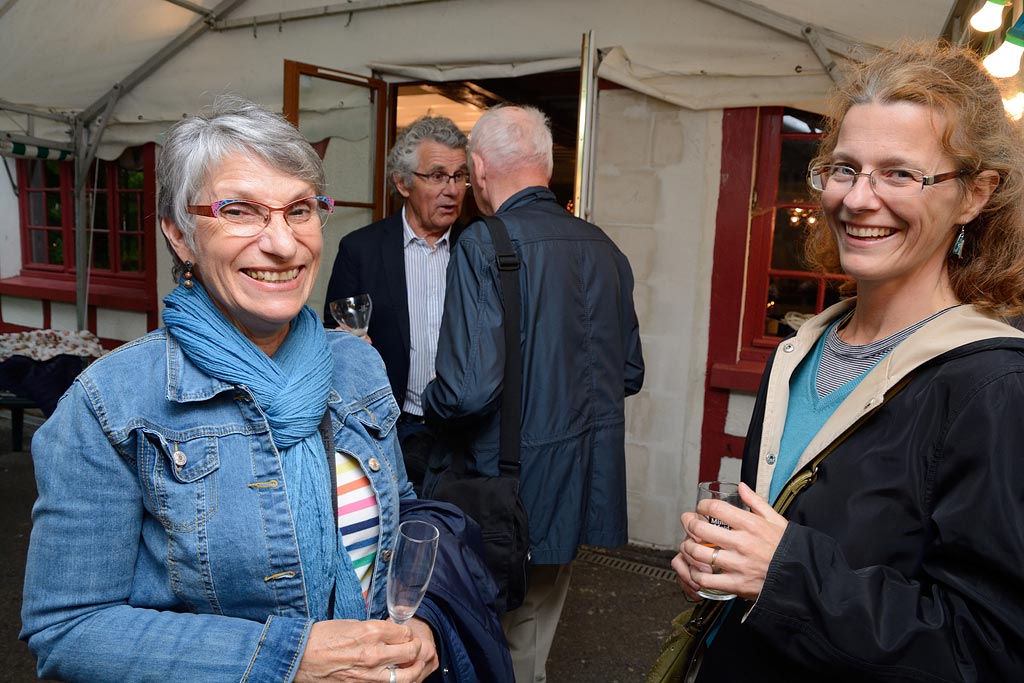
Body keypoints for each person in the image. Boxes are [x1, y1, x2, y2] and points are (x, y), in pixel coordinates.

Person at [20, 97, 510, 683]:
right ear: (179, 235)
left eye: (300, 210)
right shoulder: (112, 403)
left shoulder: (356, 364)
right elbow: (68, 629)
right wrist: (288, 660)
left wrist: (424, 621)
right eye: (241, 211)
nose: (283, 244)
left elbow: (398, 528)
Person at [672, 41, 1024, 681]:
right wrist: (728, 568)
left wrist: (782, 573)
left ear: (975, 195)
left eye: (900, 174)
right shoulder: (801, 351)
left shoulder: (994, 388)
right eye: (844, 168)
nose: (858, 200)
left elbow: (990, 652)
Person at [422, 104, 645, 683]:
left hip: (509, 490)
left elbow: (468, 392)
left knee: (491, 641)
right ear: (545, 165)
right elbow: (629, 372)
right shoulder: (604, 247)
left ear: (478, 168)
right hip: (582, 482)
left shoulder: (483, 243)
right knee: (535, 636)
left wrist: (428, 401)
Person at [324, 116, 469, 493]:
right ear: (402, 183)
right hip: (389, 426)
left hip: (465, 429)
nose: (451, 189)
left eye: (459, 175)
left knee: (456, 537)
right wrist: (352, 347)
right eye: (437, 175)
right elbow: (334, 338)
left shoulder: (480, 247)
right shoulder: (361, 249)